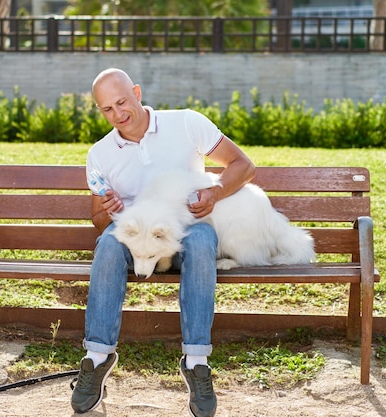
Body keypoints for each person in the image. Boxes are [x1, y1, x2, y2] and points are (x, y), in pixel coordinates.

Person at [70, 68, 256, 417]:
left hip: (183, 232)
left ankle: (197, 361)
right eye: (107, 109)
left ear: (137, 92)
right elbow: (98, 222)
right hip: (133, 240)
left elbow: (243, 166)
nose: (118, 114)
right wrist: (108, 210)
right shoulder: (100, 153)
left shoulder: (185, 123)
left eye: (122, 102)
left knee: (202, 238)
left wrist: (214, 192)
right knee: (108, 243)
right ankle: (96, 358)